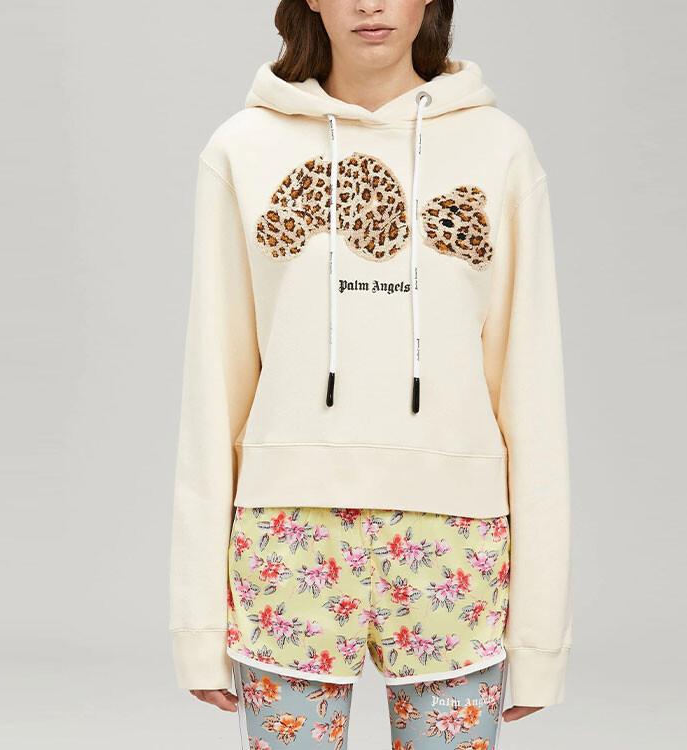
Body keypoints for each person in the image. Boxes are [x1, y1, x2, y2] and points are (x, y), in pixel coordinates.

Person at [168, 1, 573, 747]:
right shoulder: (243, 148)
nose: (370, 4)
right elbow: (213, 384)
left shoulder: (499, 149)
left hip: (455, 540)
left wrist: (539, 634)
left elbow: (531, 388)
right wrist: (197, 620)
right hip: (289, 535)